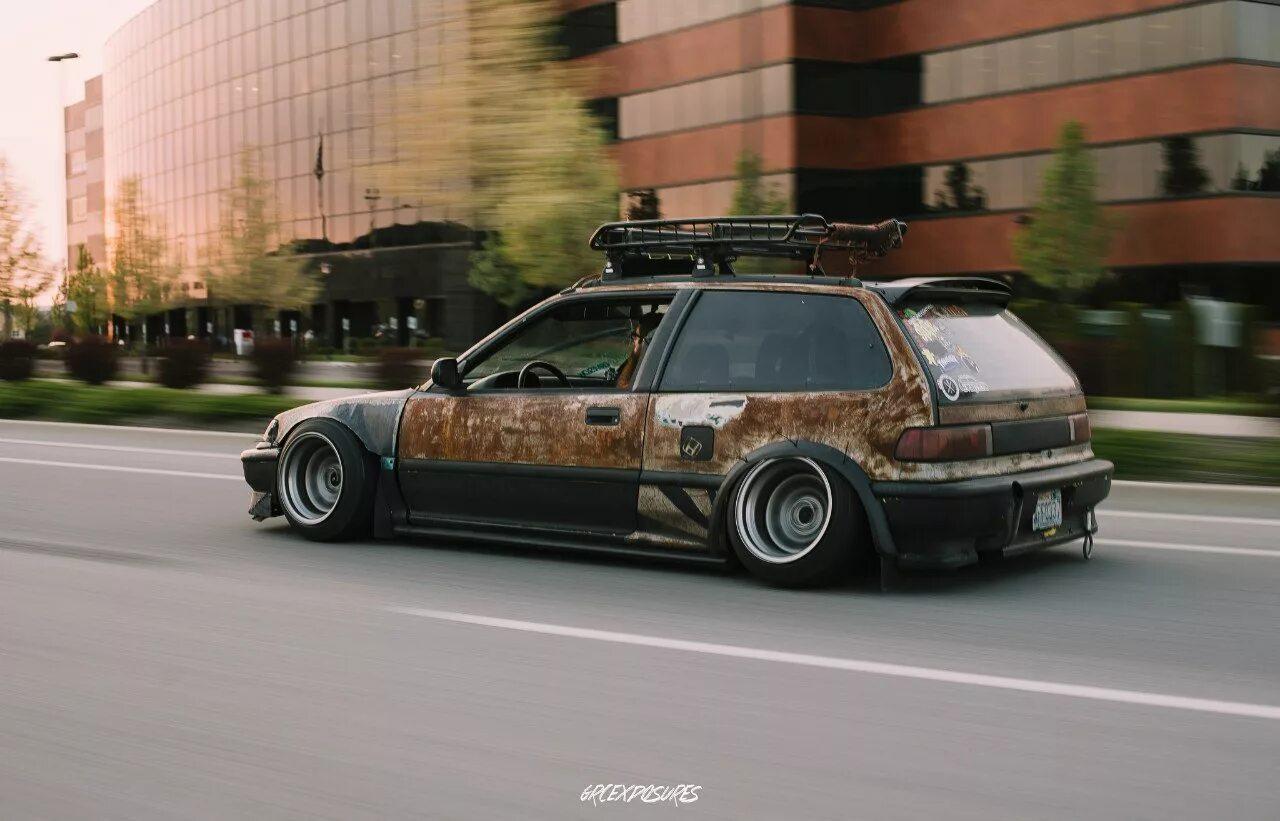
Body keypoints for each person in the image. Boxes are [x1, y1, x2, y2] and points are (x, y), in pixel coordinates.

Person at [614, 310, 664, 389]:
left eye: (635, 335)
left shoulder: (650, 368)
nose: (633, 339)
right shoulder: (664, 361)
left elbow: (621, 388)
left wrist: (636, 353)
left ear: (647, 340)